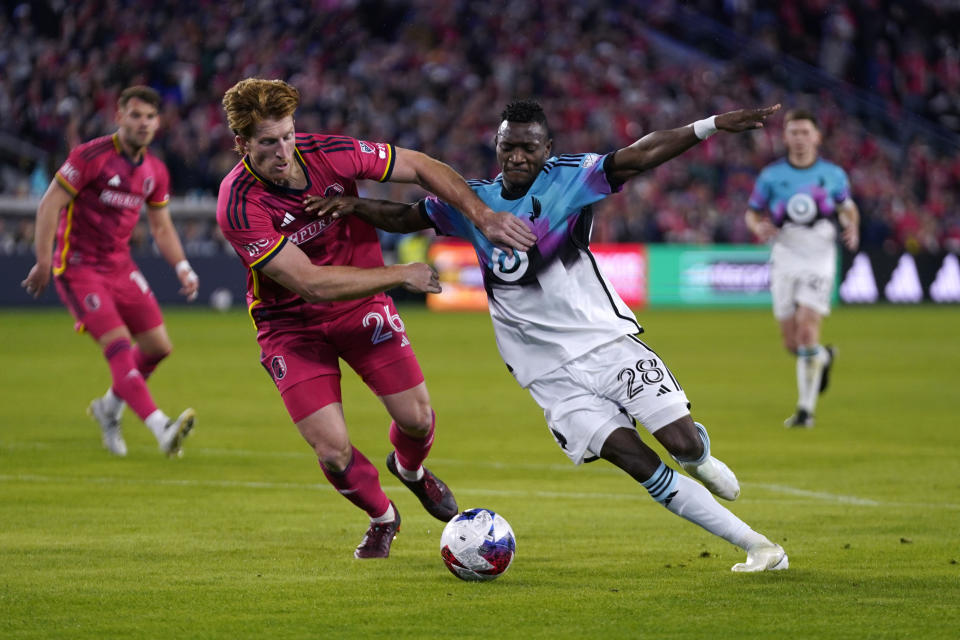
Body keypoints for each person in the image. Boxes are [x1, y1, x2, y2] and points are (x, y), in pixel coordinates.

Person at [308, 100, 790, 572]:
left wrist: (708, 126)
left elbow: (639, 155)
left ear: (547, 148)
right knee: (640, 464)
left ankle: (698, 454)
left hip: (606, 345)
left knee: (681, 443)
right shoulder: (473, 204)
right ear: (497, 146)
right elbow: (407, 216)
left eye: (529, 148)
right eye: (508, 147)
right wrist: (354, 205)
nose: (518, 157)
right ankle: (758, 546)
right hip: (548, 375)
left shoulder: (572, 177)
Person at [215, 78, 536, 560]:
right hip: (291, 326)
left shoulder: (331, 153)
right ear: (241, 144)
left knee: (417, 418)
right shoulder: (237, 204)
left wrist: (483, 215)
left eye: (287, 135)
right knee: (332, 450)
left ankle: (410, 471)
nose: (284, 151)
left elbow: (421, 166)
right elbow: (310, 283)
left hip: (361, 306)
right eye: (268, 142)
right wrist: (398, 274)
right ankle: (382, 517)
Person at [21, 85, 198, 458]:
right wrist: (42, 260)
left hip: (120, 266)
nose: (143, 123)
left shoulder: (155, 171)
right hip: (79, 268)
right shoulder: (90, 156)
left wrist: (182, 267)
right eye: (135, 115)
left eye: (150, 117)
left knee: (158, 347)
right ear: (119, 117)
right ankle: (161, 427)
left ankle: (108, 409)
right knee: (119, 347)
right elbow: (49, 204)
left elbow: (162, 228)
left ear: (158, 123)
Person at [745, 109, 860, 428]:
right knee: (793, 343)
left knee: (808, 329)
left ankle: (805, 411)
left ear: (817, 137)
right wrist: (758, 228)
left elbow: (847, 207)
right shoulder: (771, 176)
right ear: (785, 137)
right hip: (784, 253)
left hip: (819, 254)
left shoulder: (833, 174)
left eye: (805, 132)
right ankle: (823, 357)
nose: (799, 138)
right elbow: (752, 213)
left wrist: (853, 227)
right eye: (793, 132)